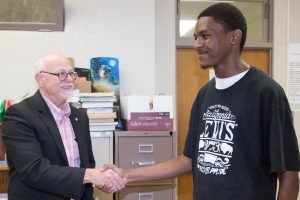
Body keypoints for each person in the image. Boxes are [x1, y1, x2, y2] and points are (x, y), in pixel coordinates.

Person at [104, 3, 300, 200]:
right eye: (196, 37)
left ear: (234, 37)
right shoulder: (204, 94)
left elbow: (289, 174)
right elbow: (188, 160)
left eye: (205, 36)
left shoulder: (267, 93)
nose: (197, 44)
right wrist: (126, 174)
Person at [2, 52, 125, 200]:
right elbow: (33, 170)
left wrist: (100, 179)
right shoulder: (19, 114)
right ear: (40, 79)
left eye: (71, 74)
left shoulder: (80, 117)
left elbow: (86, 165)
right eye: (61, 74)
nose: (69, 80)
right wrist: (90, 175)